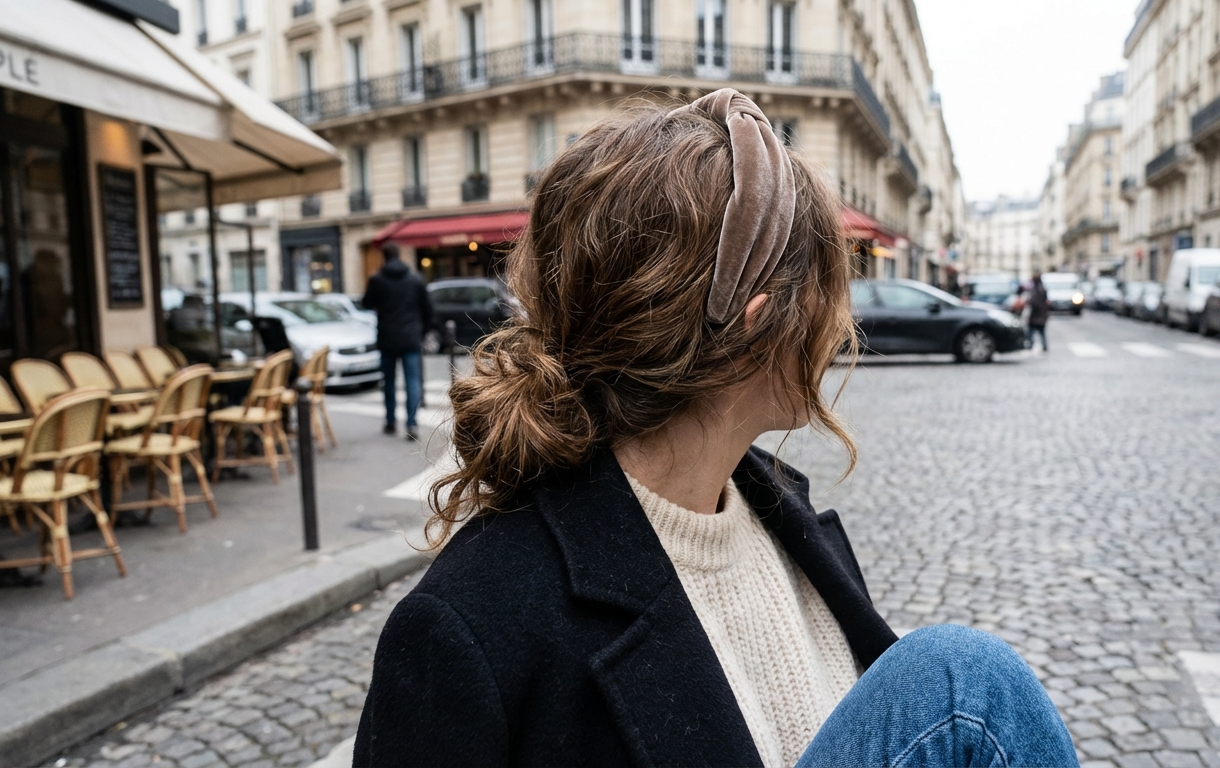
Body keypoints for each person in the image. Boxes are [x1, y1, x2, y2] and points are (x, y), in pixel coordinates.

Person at [354, 90, 1077, 768]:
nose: (842, 325)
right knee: (964, 682)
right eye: (831, 290)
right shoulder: (466, 626)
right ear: (757, 325)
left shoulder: (782, 508)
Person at [361, 244, 433, 440]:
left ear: (383, 257)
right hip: (411, 337)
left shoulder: (377, 279)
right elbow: (428, 310)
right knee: (412, 381)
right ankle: (412, 423)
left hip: (387, 337)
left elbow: (367, 302)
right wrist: (421, 332)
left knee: (389, 382)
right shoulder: (415, 279)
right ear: (399, 255)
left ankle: (391, 421)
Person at [1027, 273, 1051, 352]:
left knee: (1030, 331)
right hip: (1041, 315)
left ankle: (1030, 344)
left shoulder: (1036, 290)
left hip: (1035, 315)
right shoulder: (1042, 288)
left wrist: (1029, 303)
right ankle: (1044, 345)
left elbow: (1034, 302)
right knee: (1041, 332)